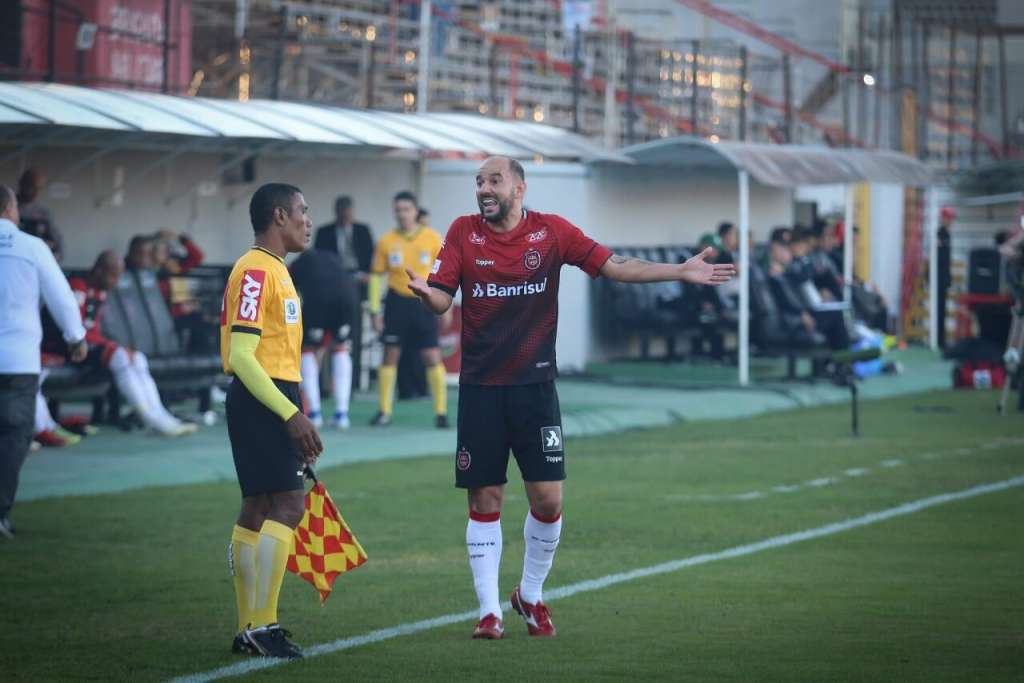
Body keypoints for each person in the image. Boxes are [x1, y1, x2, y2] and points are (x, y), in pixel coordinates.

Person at [409, 156, 735, 639]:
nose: (483, 189)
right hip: (481, 388)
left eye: (493, 180)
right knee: (485, 495)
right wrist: (428, 295)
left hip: (536, 387)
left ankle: (530, 593)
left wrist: (679, 272)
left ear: (519, 187)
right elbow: (442, 295)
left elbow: (614, 265)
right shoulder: (462, 232)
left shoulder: (552, 232)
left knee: (547, 499)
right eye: (479, 182)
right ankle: (488, 611)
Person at [221, 183, 323, 658]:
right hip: (264, 398)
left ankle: (249, 629)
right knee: (287, 505)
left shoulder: (274, 269)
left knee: (259, 508)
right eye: (303, 211)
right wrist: (290, 413)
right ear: (279, 216)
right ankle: (263, 625)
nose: (308, 219)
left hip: (273, 395)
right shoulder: (257, 270)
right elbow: (243, 356)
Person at [0, 184, 87, 539]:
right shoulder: (31, 247)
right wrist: (76, 337)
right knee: (13, 436)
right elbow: (61, 297)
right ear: (9, 208)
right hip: (19, 360)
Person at [50, 251, 198, 437]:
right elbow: (74, 328)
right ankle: (150, 417)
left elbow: (93, 330)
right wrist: (113, 347)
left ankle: (160, 414)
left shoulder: (101, 290)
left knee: (137, 357)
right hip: (69, 348)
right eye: (113, 274)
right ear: (99, 270)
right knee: (120, 356)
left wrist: (112, 344)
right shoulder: (78, 286)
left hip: (88, 346)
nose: (116, 280)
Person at [368, 191, 448, 428]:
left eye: (406, 209)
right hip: (396, 302)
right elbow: (376, 276)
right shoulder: (386, 241)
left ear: (416, 211)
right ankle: (384, 411)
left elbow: (443, 274)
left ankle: (441, 412)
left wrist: (445, 305)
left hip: (423, 302)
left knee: (432, 356)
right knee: (390, 355)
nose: (402, 214)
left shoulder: (433, 238)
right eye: (398, 210)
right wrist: (374, 311)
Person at [290, 247, 357, 429]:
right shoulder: (332, 257)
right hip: (348, 297)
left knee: (308, 350)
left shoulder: (298, 264)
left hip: (318, 301)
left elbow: (289, 294)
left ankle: (314, 413)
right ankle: (342, 414)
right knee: (341, 347)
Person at [16, 168, 62, 260]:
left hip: (34, 260)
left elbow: (57, 244)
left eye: (38, 188)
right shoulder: (7, 206)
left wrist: (54, 256)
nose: (34, 192)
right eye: (30, 187)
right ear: (21, 184)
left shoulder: (43, 213)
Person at [937, 206, 955, 349]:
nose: (950, 221)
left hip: (944, 276)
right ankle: (939, 339)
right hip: (939, 276)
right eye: (948, 218)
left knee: (942, 308)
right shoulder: (940, 234)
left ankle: (941, 338)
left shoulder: (947, 234)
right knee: (939, 308)